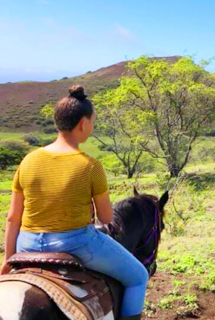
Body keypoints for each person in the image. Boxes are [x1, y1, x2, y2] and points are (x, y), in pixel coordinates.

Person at [0, 85, 148, 320]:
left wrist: (8, 260)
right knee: (138, 277)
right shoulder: (90, 166)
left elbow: (12, 217)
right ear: (83, 124)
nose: (92, 126)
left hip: (26, 244)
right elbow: (106, 218)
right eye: (93, 121)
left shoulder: (28, 161)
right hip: (75, 243)